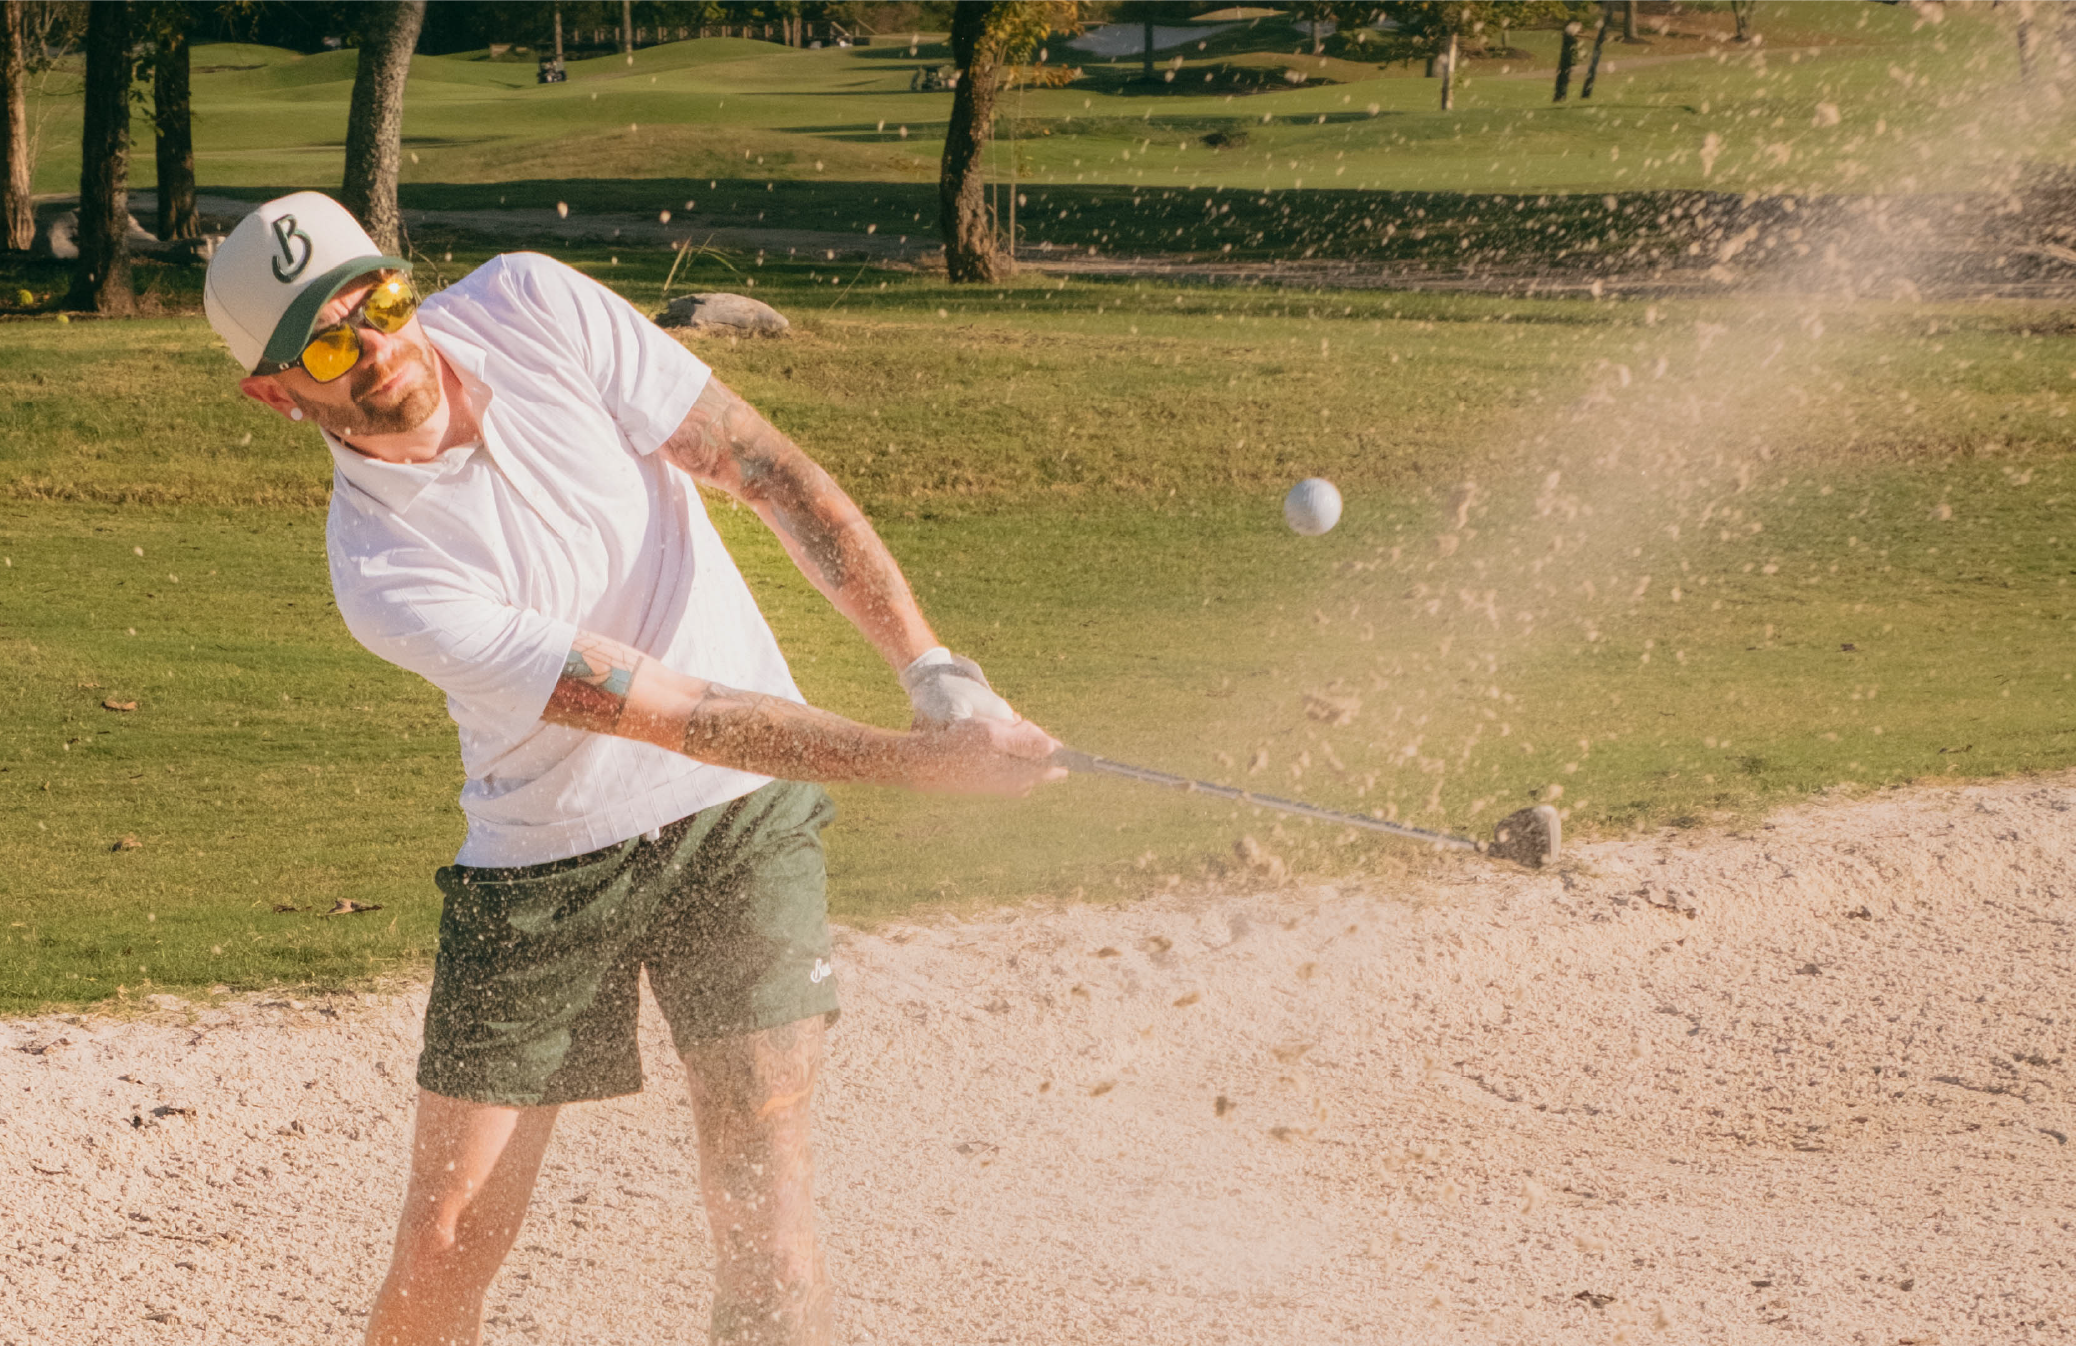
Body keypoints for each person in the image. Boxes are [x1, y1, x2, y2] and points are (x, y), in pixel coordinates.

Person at [202, 191, 1064, 1346]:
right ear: (273, 391)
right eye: (324, 342)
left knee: (765, 1205)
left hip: (742, 828)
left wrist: (933, 674)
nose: (376, 352)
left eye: (383, 305)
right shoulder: (383, 568)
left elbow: (764, 468)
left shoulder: (531, 301)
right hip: (545, 862)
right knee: (448, 1240)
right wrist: (918, 769)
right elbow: (674, 712)